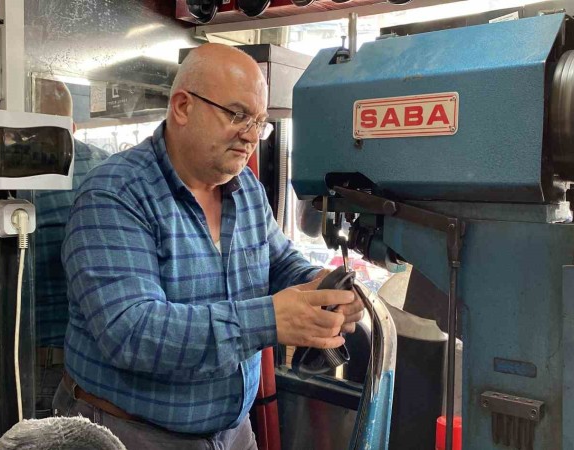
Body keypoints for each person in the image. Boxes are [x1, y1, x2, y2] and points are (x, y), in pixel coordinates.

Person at [53, 43, 364, 449]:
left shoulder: (246, 187)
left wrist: (321, 287)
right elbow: (132, 332)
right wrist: (270, 320)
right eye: (237, 115)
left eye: (259, 122)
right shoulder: (115, 194)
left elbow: (279, 262)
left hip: (233, 433)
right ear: (183, 107)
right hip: (130, 433)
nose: (251, 136)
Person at [32, 79, 110, 418]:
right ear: (73, 126)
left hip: (40, 366)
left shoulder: (16, 177)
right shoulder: (111, 169)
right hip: (101, 367)